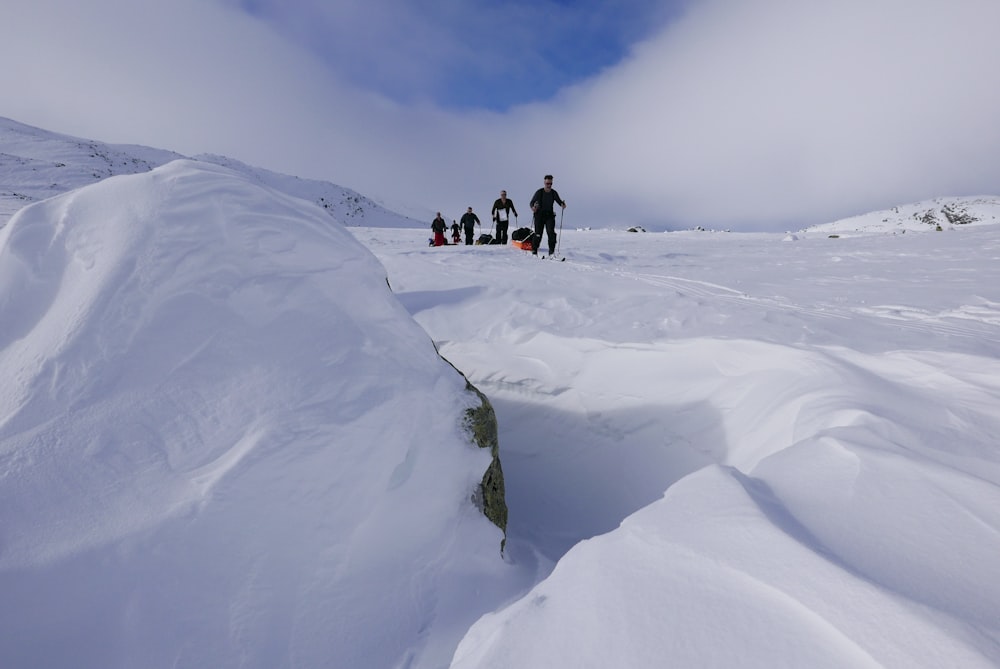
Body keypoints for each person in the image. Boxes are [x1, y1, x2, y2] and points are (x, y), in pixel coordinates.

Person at [529, 174, 566, 255]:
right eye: (547, 183)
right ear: (544, 183)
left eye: (550, 184)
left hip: (549, 215)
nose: (549, 185)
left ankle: (551, 251)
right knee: (538, 233)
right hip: (539, 215)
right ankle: (534, 249)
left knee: (551, 232)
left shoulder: (553, 193)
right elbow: (531, 202)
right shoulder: (539, 192)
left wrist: (562, 205)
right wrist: (533, 208)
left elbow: (559, 201)